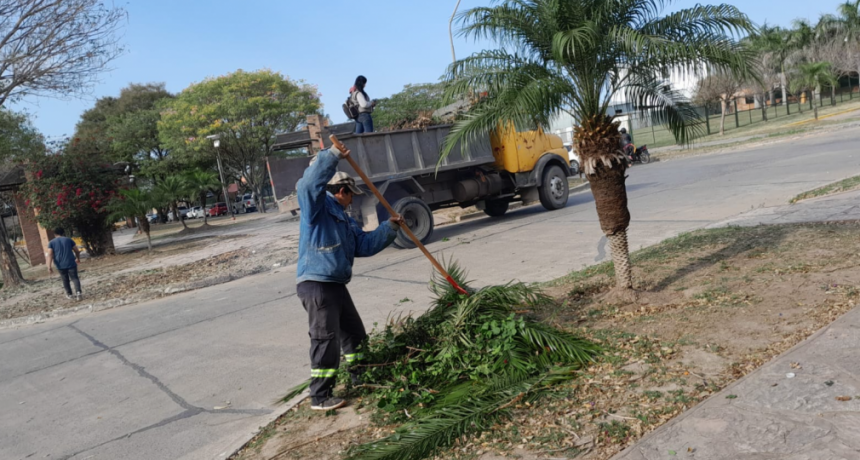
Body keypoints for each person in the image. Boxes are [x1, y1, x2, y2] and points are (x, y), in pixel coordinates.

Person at [295, 144, 403, 411]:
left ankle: (360, 375)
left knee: (354, 334)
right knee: (325, 339)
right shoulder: (316, 209)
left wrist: (391, 227)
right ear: (342, 192)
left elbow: (364, 245)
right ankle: (320, 396)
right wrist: (331, 156)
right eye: (351, 195)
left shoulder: (344, 220)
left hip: (336, 284)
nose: (353, 200)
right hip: (317, 284)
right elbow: (308, 186)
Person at [47, 228, 82, 301]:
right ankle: (78, 292)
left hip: (60, 265)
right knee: (75, 278)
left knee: (65, 280)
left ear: (54, 234)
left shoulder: (51, 242)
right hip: (71, 262)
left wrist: (49, 266)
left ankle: (69, 294)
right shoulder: (69, 240)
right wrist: (77, 258)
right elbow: (76, 250)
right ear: (63, 233)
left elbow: (50, 254)